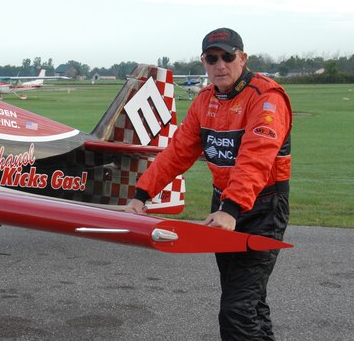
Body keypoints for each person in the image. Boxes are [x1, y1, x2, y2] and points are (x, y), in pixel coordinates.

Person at [125, 28, 292, 340]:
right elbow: (176, 153)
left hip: (262, 208)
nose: (220, 65)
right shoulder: (205, 101)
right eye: (211, 58)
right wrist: (142, 195)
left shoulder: (267, 98)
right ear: (204, 61)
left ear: (243, 58)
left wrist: (231, 208)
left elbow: (257, 157)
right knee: (247, 300)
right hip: (224, 208)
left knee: (237, 309)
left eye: (228, 57)